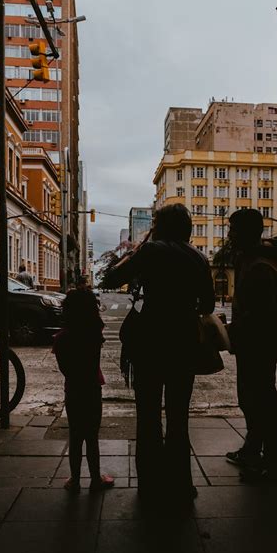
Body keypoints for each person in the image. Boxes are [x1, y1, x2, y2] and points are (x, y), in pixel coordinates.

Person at [105, 204, 215, 505]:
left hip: (150, 340)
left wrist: (139, 247)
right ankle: (181, 483)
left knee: (148, 415)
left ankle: (150, 483)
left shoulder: (150, 251)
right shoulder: (198, 257)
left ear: (160, 226)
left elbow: (110, 278)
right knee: (179, 417)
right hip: (183, 342)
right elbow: (207, 305)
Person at [225, 208, 277, 481]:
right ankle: (252, 450)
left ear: (249, 233)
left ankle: (273, 463)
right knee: (250, 398)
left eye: (233, 230)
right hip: (251, 341)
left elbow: (259, 315)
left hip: (259, 343)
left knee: (261, 399)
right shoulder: (248, 259)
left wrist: (229, 331)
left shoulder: (260, 266)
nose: (229, 235)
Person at [53, 288, 114, 494]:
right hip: (92, 389)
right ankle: (96, 478)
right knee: (92, 437)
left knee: (75, 436)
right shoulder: (94, 334)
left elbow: (64, 369)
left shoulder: (61, 339)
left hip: (73, 391)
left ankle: (75, 480)